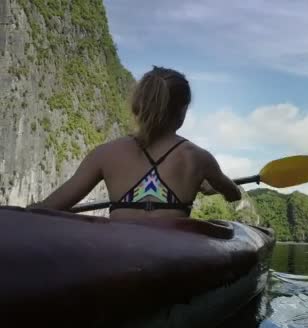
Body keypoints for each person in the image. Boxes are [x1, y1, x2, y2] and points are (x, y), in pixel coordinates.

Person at [29, 66, 241, 219]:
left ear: (138, 106)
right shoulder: (198, 158)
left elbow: (50, 207)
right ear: (183, 110)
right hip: (169, 263)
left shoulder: (105, 154)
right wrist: (209, 185)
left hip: (118, 258)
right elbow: (234, 194)